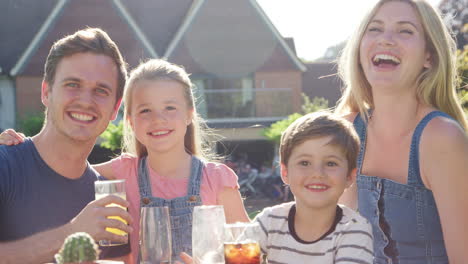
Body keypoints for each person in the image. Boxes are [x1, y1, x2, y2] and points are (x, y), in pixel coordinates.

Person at [0, 59, 250, 263]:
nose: (158, 119)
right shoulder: (121, 172)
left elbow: (250, 252)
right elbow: (62, 170)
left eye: (170, 108)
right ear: (130, 121)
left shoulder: (217, 179)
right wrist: (24, 148)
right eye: (145, 110)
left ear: (189, 114)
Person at [335, 0, 468, 263]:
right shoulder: (346, 130)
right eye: (375, 29)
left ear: (428, 56)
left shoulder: (441, 137)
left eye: (405, 31)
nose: (386, 40)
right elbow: (339, 246)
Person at [0, 28, 133, 264]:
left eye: (101, 91)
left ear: (115, 108)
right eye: (73, 84)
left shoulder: (107, 200)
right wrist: (71, 234)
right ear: (46, 91)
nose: (85, 100)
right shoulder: (4, 166)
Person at [253, 112, 374, 263]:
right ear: (285, 172)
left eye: (331, 163)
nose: (317, 174)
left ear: (349, 176)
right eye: (304, 163)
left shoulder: (354, 230)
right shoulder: (269, 222)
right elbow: (235, 257)